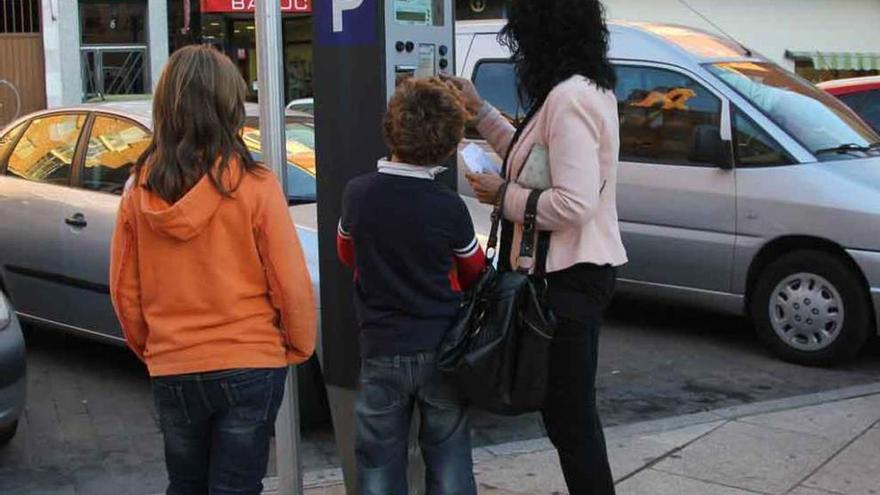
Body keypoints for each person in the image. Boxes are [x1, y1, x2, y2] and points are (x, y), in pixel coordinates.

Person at [109, 45, 316, 495]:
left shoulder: (137, 192)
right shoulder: (256, 186)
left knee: (185, 484)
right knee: (237, 487)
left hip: (174, 363)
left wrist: (154, 348)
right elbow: (291, 283)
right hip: (251, 360)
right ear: (230, 108)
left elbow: (124, 289)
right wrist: (298, 346)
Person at [447, 1, 628, 493]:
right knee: (568, 416)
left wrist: (503, 197)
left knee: (571, 420)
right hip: (577, 273)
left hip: (568, 277)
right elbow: (538, 163)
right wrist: (480, 111)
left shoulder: (569, 98)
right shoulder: (579, 90)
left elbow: (573, 203)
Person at [336, 77, 484, 495]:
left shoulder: (359, 194)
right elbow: (472, 269)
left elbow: (347, 252)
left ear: (391, 129)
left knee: (379, 461)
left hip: (381, 347)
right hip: (441, 348)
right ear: (451, 144)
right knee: (449, 455)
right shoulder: (448, 206)